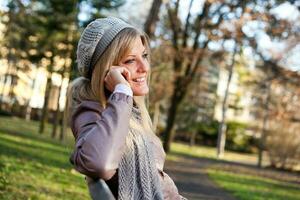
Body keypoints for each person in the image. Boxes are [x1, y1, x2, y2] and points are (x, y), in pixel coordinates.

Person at [68, 17, 186, 200]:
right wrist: (122, 91)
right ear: (107, 71)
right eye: (130, 60)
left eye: (144, 56)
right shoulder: (93, 112)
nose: (145, 67)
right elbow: (99, 163)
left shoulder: (129, 113)